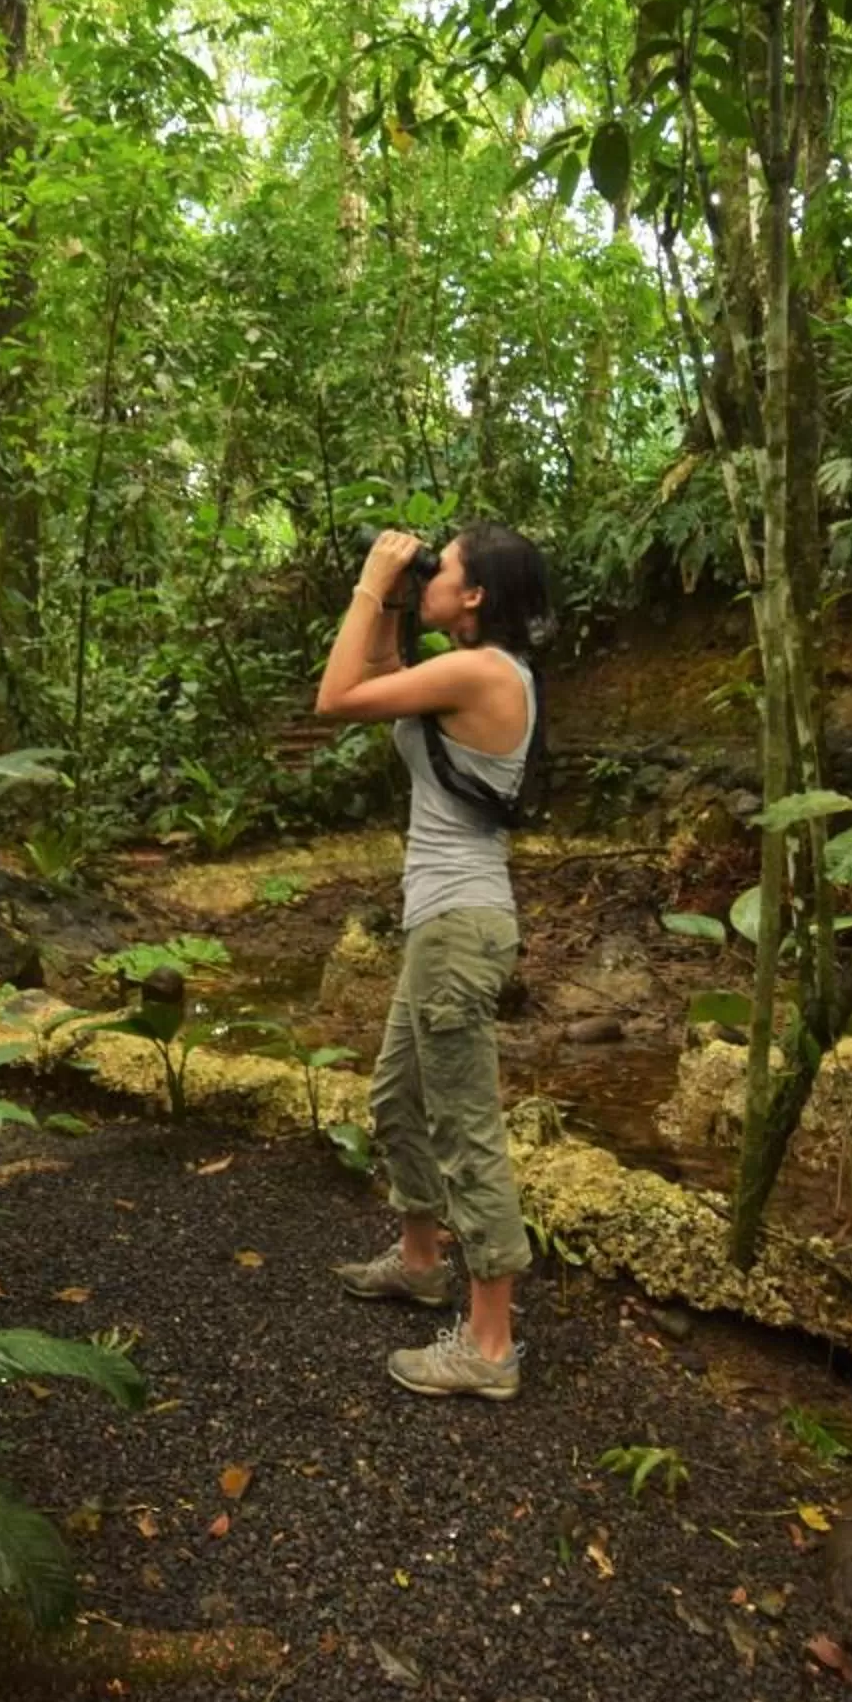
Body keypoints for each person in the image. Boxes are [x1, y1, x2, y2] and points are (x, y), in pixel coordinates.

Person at [312, 523, 551, 1400]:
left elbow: (335, 697)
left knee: (464, 1124)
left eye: (441, 569)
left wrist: (373, 585)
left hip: (462, 930)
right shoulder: (465, 671)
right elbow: (376, 682)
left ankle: (489, 1349)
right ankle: (421, 1263)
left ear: (479, 594)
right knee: (395, 1097)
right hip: (442, 927)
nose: (429, 577)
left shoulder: (481, 672)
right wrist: (402, 596)